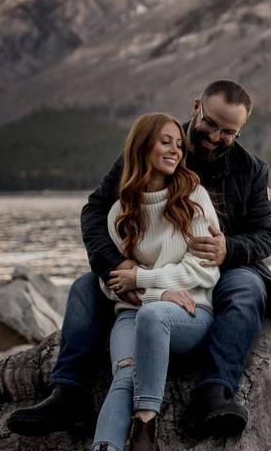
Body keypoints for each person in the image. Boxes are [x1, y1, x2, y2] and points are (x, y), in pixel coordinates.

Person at [7, 79, 271, 440]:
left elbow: (269, 234)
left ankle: (213, 392)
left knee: (248, 287)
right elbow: (97, 209)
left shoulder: (253, 170)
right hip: (148, 269)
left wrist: (230, 249)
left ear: (240, 130)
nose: (214, 136)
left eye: (229, 132)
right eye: (211, 124)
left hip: (217, 270)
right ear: (196, 108)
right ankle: (68, 393)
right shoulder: (156, 144)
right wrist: (115, 263)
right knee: (85, 286)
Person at [90, 112, 220, 451]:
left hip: (189, 314)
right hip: (132, 314)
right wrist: (159, 290)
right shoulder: (119, 210)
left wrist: (142, 279)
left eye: (179, 144)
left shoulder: (194, 197)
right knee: (125, 370)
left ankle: (146, 428)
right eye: (166, 142)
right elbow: (110, 283)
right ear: (143, 146)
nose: (175, 150)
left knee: (153, 315)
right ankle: (105, 446)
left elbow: (204, 270)